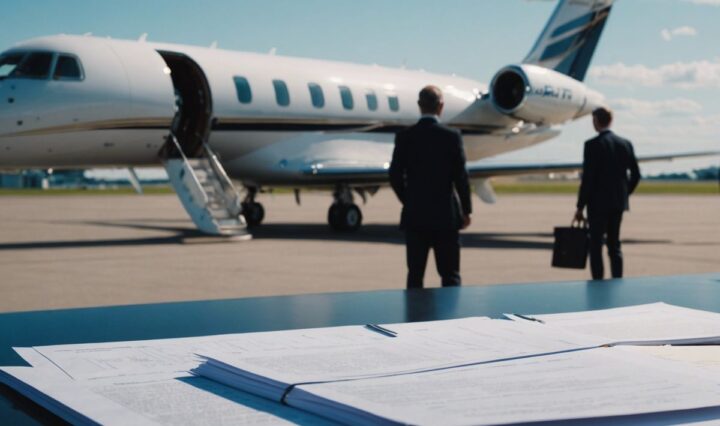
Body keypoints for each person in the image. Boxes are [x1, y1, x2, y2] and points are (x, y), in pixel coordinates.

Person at [389, 85, 472, 289]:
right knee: (450, 275)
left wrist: (408, 200)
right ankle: (453, 320)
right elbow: (461, 177)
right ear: (441, 107)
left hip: (415, 216)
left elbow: (394, 175)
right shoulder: (452, 137)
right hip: (446, 216)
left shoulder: (405, 137)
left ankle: (414, 318)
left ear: (419, 106)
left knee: (415, 275)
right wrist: (466, 210)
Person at [575, 107, 640, 280]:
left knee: (595, 245)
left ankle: (598, 282)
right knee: (614, 245)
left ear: (596, 121)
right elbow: (636, 175)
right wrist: (625, 194)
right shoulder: (625, 144)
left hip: (597, 205)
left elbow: (588, 179)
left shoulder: (592, 145)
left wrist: (580, 206)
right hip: (618, 203)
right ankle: (617, 280)